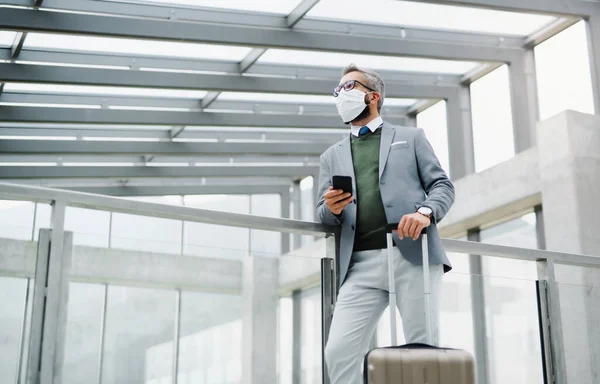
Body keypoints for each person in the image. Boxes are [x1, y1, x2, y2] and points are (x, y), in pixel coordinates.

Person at [316, 64, 455, 384]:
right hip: (358, 264)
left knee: (422, 350)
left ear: (373, 96)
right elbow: (322, 213)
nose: (341, 95)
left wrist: (425, 212)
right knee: (338, 350)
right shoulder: (331, 155)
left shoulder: (412, 137)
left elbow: (442, 186)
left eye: (348, 87)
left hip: (413, 254)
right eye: (337, 91)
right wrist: (333, 208)